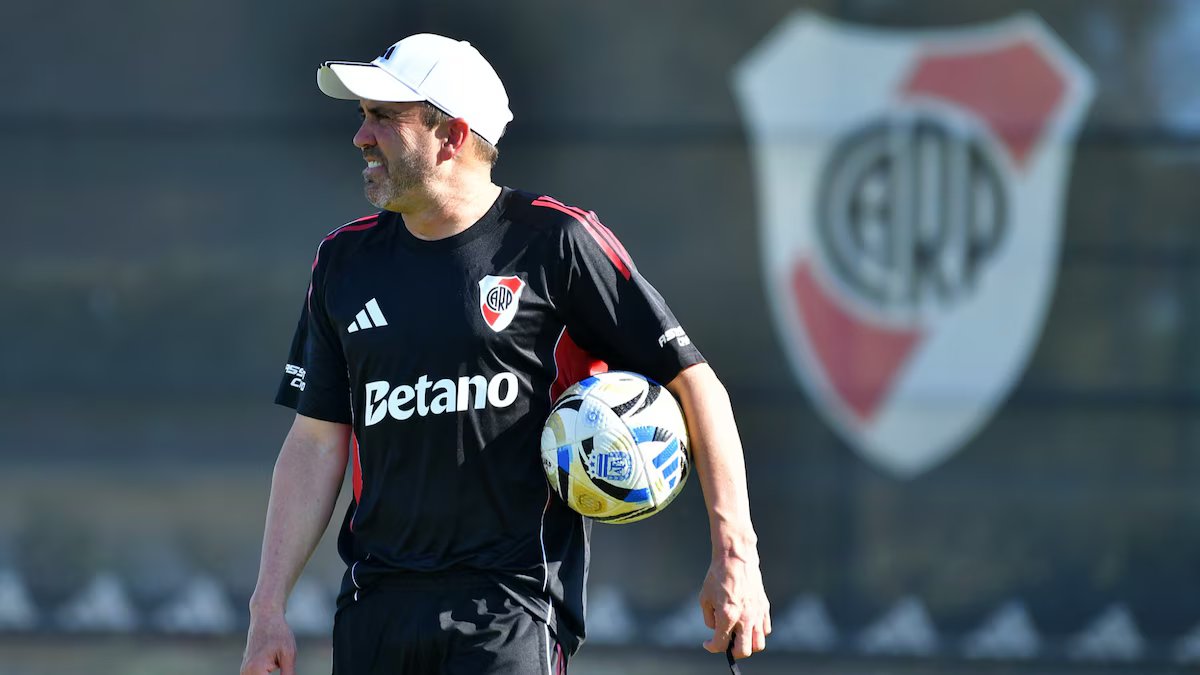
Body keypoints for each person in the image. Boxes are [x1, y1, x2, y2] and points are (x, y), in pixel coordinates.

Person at [240, 33, 770, 675]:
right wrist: (268, 608)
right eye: (362, 117)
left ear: (453, 135)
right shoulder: (343, 261)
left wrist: (734, 554)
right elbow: (315, 441)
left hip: (511, 607)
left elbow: (696, 384)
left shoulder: (555, 243)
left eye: (384, 117)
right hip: (374, 607)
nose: (361, 137)